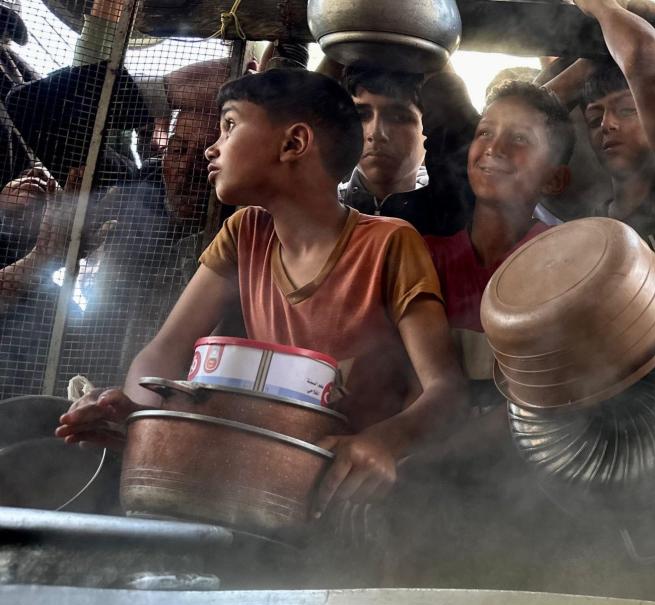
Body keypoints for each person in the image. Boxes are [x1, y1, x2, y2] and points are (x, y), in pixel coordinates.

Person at [56, 68, 467, 515]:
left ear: (293, 145)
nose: (213, 148)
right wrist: (138, 415)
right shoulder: (246, 231)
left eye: (230, 125)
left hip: (346, 496)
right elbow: (164, 352)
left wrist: (383, 443)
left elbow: (446, 390)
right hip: (245, 479)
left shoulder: (389, 243)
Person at [549, 0, 655, 313]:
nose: (608, 124)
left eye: (627, 110)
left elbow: (642, 55)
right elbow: (526, 116)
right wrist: (597, 51)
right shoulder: (592, 220)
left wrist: (602, 8)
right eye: (594, 119)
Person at [424, 80, 573, 406]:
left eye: (519, 138)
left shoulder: (561, 268)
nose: (495, 148)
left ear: (554, 179)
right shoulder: (425, 256)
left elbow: (549, 401)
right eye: (485, 132)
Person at [338, 65, 476, 238]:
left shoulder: (451, 213)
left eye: (399, 117)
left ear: (429, 129)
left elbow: (461, 133)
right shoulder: (322, 205)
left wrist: (436, 56)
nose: (376, 133)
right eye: (361, 115)